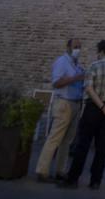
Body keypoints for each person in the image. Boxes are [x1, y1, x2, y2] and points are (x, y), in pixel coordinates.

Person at [59, 39, 105, 190]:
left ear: (101, 51)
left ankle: (73, 178)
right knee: (101, 147)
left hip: (93, 108)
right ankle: (96, 181)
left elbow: (88, 88)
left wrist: (100, 105)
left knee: (83, 144)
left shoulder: (94, 66)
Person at [35, 37, 85, 183]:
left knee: (67, 140)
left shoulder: (76, 64)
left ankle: (60, 170)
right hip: (64, 103)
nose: (78, 49)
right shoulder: (61, 62)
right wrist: (76, 78)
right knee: (54, 138)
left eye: (80, 47)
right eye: (76, 46)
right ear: (68, 47)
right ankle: (42, 170)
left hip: (75, 103)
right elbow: (56, 82)